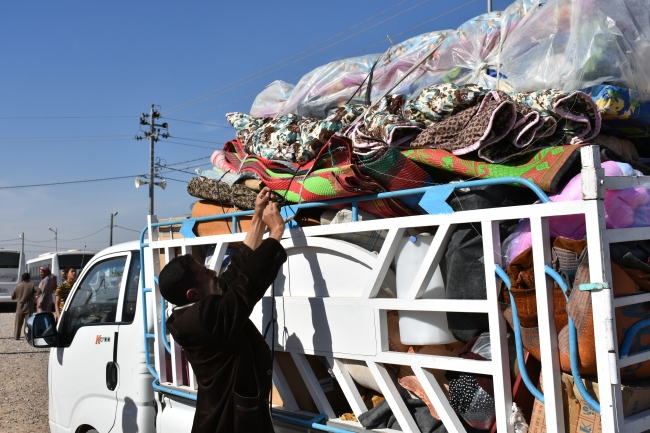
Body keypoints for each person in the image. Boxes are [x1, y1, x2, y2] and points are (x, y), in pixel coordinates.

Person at [160, 187, 286, 433]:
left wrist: (258, 215)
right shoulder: (202, 320)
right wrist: (276, 232)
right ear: (193, 295)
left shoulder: (199, 309)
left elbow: (238, 270)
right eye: (204, 272)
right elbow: (245, 287)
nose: (213, 271)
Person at [12, 273, 41, 340]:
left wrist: (19, 297)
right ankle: (27, 336)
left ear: (22, 278)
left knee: (18, 323)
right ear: (29, 278)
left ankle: (16, 336)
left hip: (19, 306)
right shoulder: (31, 285)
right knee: (27, 323)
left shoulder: (18, 286)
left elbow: (13, 296)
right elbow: (39, 291)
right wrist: (36, 297)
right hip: (28, 306)